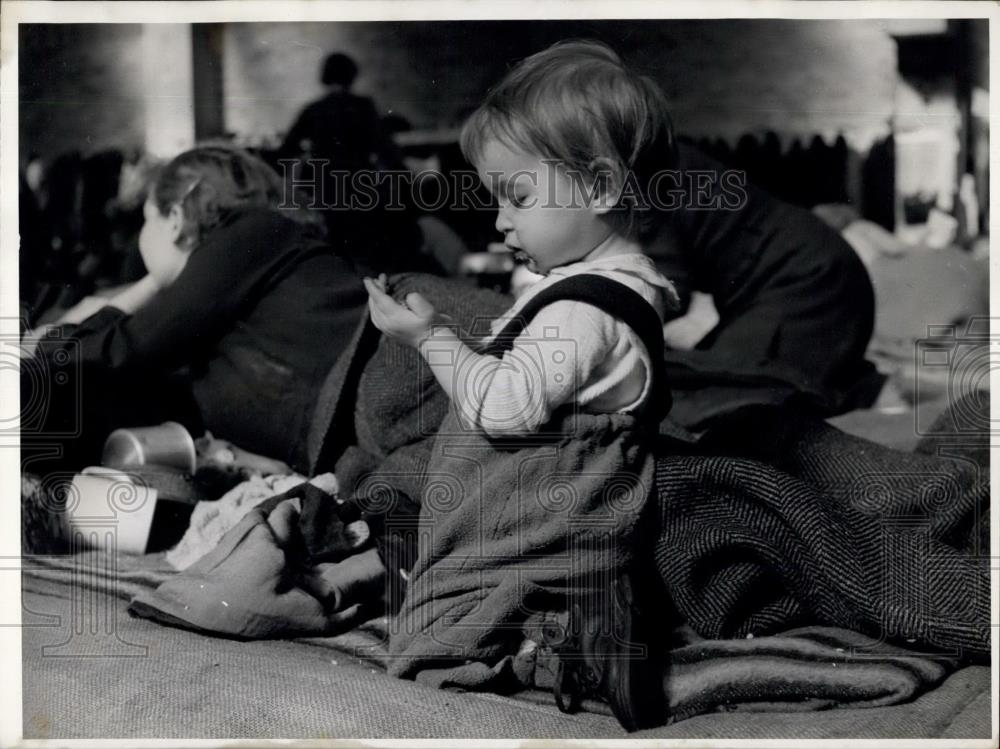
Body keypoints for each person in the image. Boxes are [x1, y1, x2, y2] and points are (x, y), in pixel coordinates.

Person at [353, 40, 679, 730]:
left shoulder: (581, 308)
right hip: (546, 519)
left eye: (517, 196)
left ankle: (566, 645)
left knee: (433, 640)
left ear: (598, 187)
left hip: (535, 521)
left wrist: (429, 338)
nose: (501, 221)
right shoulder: (616, 285)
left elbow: (504, 410)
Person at [22, 145, 368, 474]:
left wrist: (153, 282)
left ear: (174, 219)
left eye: (147, 219)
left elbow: (118, 349)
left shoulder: (250, 234)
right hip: (354, 421)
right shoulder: (255, 259)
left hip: (374, 390)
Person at [278, 52, 427, 275]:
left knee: (333, 251)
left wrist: (309, 157)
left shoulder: (313, 110)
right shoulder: (363, 107)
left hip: (325, 191)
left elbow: (286, 149)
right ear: (352, 76)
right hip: (360, 190)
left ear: (324, 77)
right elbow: (384, 149)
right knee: (365, 254)